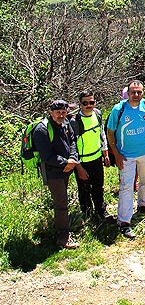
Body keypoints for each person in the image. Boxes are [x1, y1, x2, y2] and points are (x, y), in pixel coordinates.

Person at [106, 80, 145, 239]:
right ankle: (124, 221)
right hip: (126, 154)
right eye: (133, 92)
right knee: (126, 187)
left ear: (143, 93)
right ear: (127, 93)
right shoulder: (119, 110)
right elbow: (110, 132)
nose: (136, 95)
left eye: (139, 92)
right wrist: (116, 153)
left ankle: (143, 205)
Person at [33, 100, 81, 248]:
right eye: (58, 113)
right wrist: (66, 163)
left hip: (66, 168)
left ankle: (63, 232)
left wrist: (72, 158)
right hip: (53, 172)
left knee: (62, 201)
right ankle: (63, 238)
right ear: (51, 113)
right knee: (61, 203)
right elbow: (47, 156)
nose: (61, 115)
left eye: (63, 112)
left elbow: (73, 141)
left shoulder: (65, 124)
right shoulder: (42, 130)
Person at [69, 91, 110, 221]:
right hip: (83, 162)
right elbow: (73, 146)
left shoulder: (97, 114)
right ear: (80, 104)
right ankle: (87, 215)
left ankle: (101, 211)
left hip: (97, 159)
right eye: (85, 103)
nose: (88, 105)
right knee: (84, 190)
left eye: (91, 102)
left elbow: (102, 135)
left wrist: (106, 154)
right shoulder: (75, 122)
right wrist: (79, 167)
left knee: (98, 187)